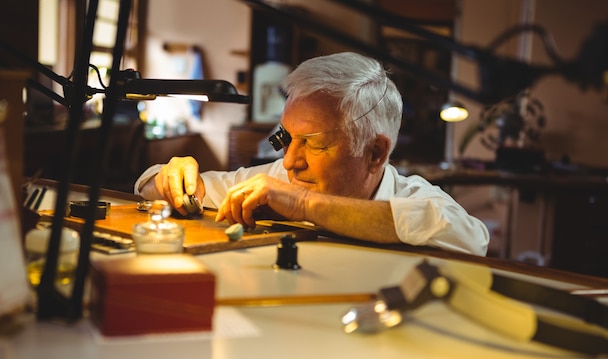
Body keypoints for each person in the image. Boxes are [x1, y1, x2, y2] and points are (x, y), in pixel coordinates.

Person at [134, 52, 490, 255]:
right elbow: (148, 186)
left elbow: (472, 240)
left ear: (375, 153)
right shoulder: (273, 179)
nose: (290, 162)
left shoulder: (414, 199)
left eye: (316, 143)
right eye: (286, 138)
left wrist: (304, 205)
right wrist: (171, 175)